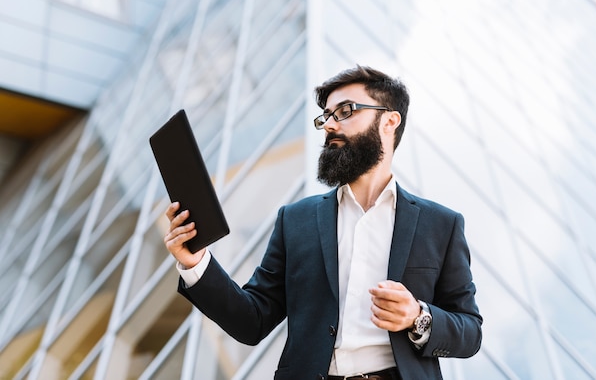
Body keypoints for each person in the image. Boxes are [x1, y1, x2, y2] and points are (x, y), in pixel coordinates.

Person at [163, 65, 482, 379]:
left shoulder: (441, 225)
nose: (329, 125)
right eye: (326, 116)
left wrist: (417, 316)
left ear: (389, 121)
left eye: (345, 111)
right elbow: (252, 320)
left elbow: (470, 332)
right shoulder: (295, 221)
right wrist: (196, 263)